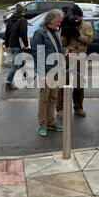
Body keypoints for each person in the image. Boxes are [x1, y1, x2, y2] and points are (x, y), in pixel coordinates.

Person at [31, 9, 65, 138]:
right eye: (58, 21)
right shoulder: (40, 33)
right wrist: (41, 74)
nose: (59, 23)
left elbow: (57, 49)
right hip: (46, 71)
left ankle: (51, 121)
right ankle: (42, 124)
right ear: (50, 21)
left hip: (56, 70)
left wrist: (64, 54)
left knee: (53, 98)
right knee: (44, 98)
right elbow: (37, 55)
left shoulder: (56, 31)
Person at [56, 5, 93, 118]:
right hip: (67, 57)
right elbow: (63, 43)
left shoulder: (87, 26)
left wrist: (78, 34)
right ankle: (60, 108)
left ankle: (78, 107)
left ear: (81, 17)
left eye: (78, 17)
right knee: (63, 83)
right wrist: (66, 33)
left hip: (80, 57)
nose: (76, 20)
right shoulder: (68, 24)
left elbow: (89, 40)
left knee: (79, 84)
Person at [4, 4, 31, 91]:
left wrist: (7, 44)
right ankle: (8, 83)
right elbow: (23, 33)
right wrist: (26, 45)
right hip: (18, 45)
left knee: (21, 62)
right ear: (23, 12)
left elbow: (6, 33)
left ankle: (27, 77)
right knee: (14, 66)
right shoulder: (23, 20)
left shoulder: (10, 20)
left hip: (12, 45)